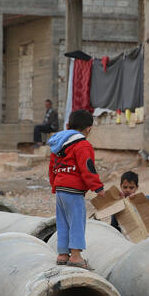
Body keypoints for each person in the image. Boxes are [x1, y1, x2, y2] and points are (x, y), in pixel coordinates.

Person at [48, 109, 105, 270]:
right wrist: (98, 187)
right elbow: (87, 168)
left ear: (68, 125)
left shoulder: (57, 144)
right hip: (73, 191)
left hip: (60, 189)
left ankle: (62, 254)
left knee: (63, 222)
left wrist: (55, 185)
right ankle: (75, 256)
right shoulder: (83, 145)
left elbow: (52, 168)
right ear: (88, 129)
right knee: (77, 222)